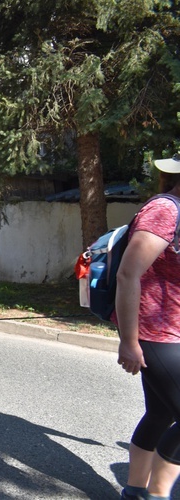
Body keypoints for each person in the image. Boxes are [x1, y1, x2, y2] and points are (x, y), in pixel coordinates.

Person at [116, 154, 180, 500]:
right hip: (154, 330)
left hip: (174, 328)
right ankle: (157, 495)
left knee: (160, 413)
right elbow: (128, 274)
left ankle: (135, 492)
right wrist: (129, 342)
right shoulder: (165, 211)